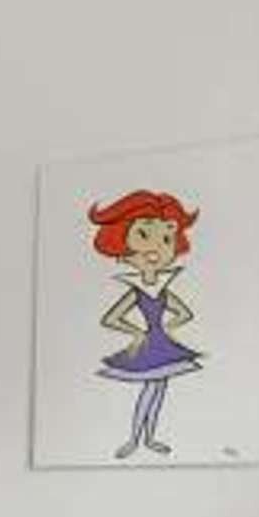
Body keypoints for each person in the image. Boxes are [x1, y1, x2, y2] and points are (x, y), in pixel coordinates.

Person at [85, 187, 202, 459]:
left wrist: (169, 329)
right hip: (151, 344)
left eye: (165, 238)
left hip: (162, 343)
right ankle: (135, 440)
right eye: (144, 235)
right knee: (149, 391)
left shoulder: (162, 288)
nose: (155, 248)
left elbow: (185, 313)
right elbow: (111, 318)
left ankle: (149, 439)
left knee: (158, 390)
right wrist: (138, 332)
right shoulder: (137, 290)